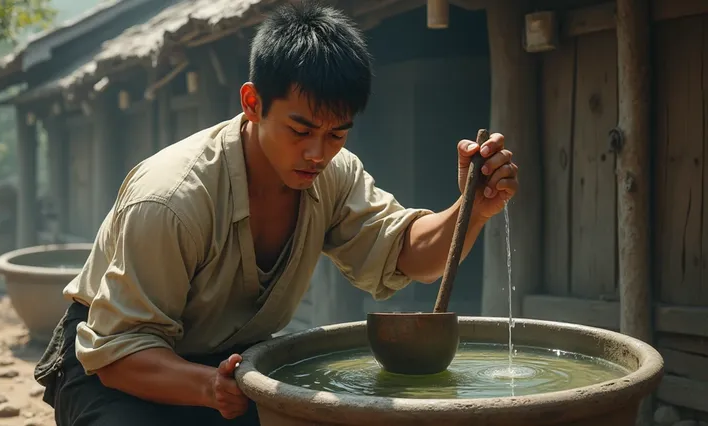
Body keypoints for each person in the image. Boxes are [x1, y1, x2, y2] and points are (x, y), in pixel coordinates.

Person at [34, 1, 519, 425]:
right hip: (109, 370)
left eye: (336, 134)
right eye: (300, 129)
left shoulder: (335, 174)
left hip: (229, 368)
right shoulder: (172, 199)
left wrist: (470, 210)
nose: (316, 152)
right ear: (252, 103)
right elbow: (117, 354)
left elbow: (406, 253)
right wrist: (209, 388)